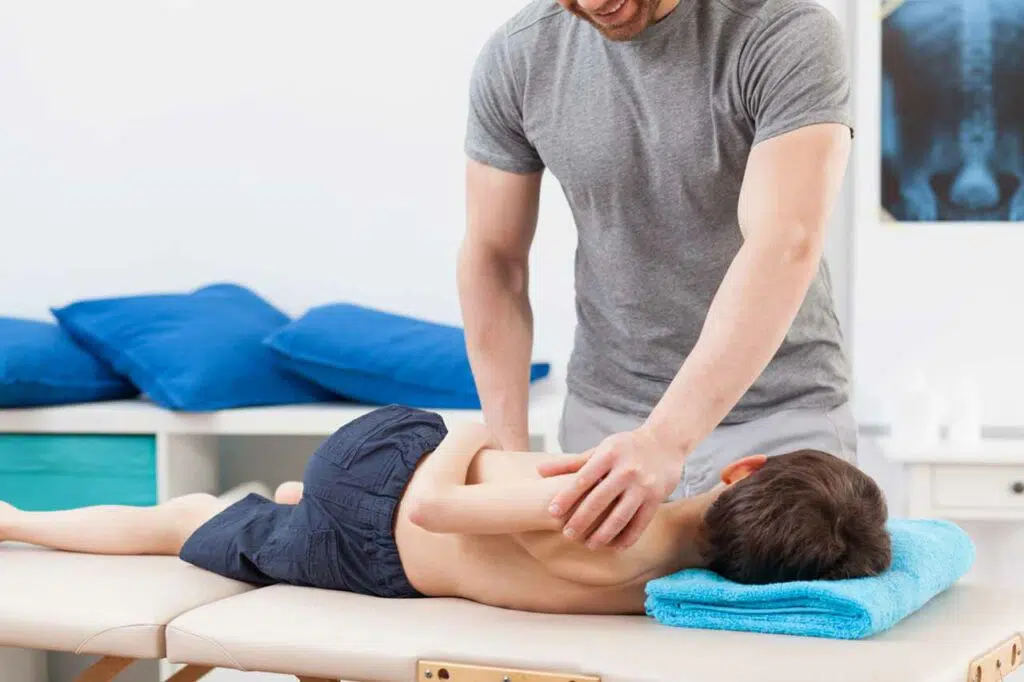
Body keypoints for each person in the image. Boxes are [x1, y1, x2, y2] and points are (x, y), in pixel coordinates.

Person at [456, 0, 857, 551]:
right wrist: (509, 455)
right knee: (592, 631)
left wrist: (665, 440)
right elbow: (494, 259)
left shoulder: (784, 31)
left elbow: (785, 241)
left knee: (784, 631)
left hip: (778, 421)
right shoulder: (520, 54)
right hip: (604, 422)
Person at [0, 406, 891, 614]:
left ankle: (13, 519)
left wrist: (470, 428)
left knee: (182, 517)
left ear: (741, 471)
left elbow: (430, 508)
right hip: (379, 547)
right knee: (237, 514)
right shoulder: (668, 582)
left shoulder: (594, 518)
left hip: (379, 495)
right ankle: (293, 504)